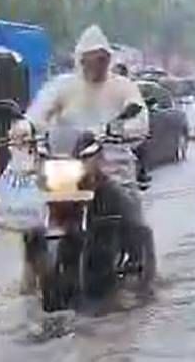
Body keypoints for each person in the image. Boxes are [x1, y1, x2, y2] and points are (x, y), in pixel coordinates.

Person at [26, 25, 154, 277]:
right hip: (66, 163)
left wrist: (121, 130)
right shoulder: (63, 86)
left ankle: (139, 262)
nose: (96, 65)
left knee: (132, 214)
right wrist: (26, 127)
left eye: (101, 59)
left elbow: (139, 118)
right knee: (29, 215)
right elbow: (38, 111)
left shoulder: (122, 86)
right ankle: (32, 271)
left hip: (110, 165)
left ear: (108, 60)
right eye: (90, 60)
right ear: (80, 60)